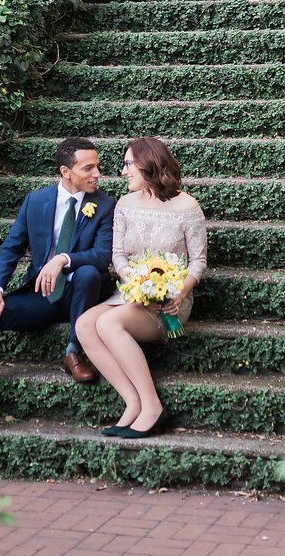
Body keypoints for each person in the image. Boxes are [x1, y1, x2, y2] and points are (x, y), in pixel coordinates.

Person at [0, 136, 115, 436]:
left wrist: (62, 259)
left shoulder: (104, 205)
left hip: (84, 294)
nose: (97, 175)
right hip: (43, 296)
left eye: (98, 167)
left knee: (89, 273)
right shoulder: (36, 201)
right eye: (88, 168)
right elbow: (10, 250)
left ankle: (73, 351)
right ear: (66, 172)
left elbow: (103, 255)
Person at [76, 136, 207, 439]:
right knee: (84, 324)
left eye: (127, 164)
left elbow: (198, 261)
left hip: (171, 302)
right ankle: (132, 401)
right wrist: (136, 286)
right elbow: (118, 256)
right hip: (132, 294)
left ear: (149, 164)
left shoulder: (187, 206)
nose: (122, 172)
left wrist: (179, 293)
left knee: (108, 323)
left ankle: (152, 406)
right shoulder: (124, 204)